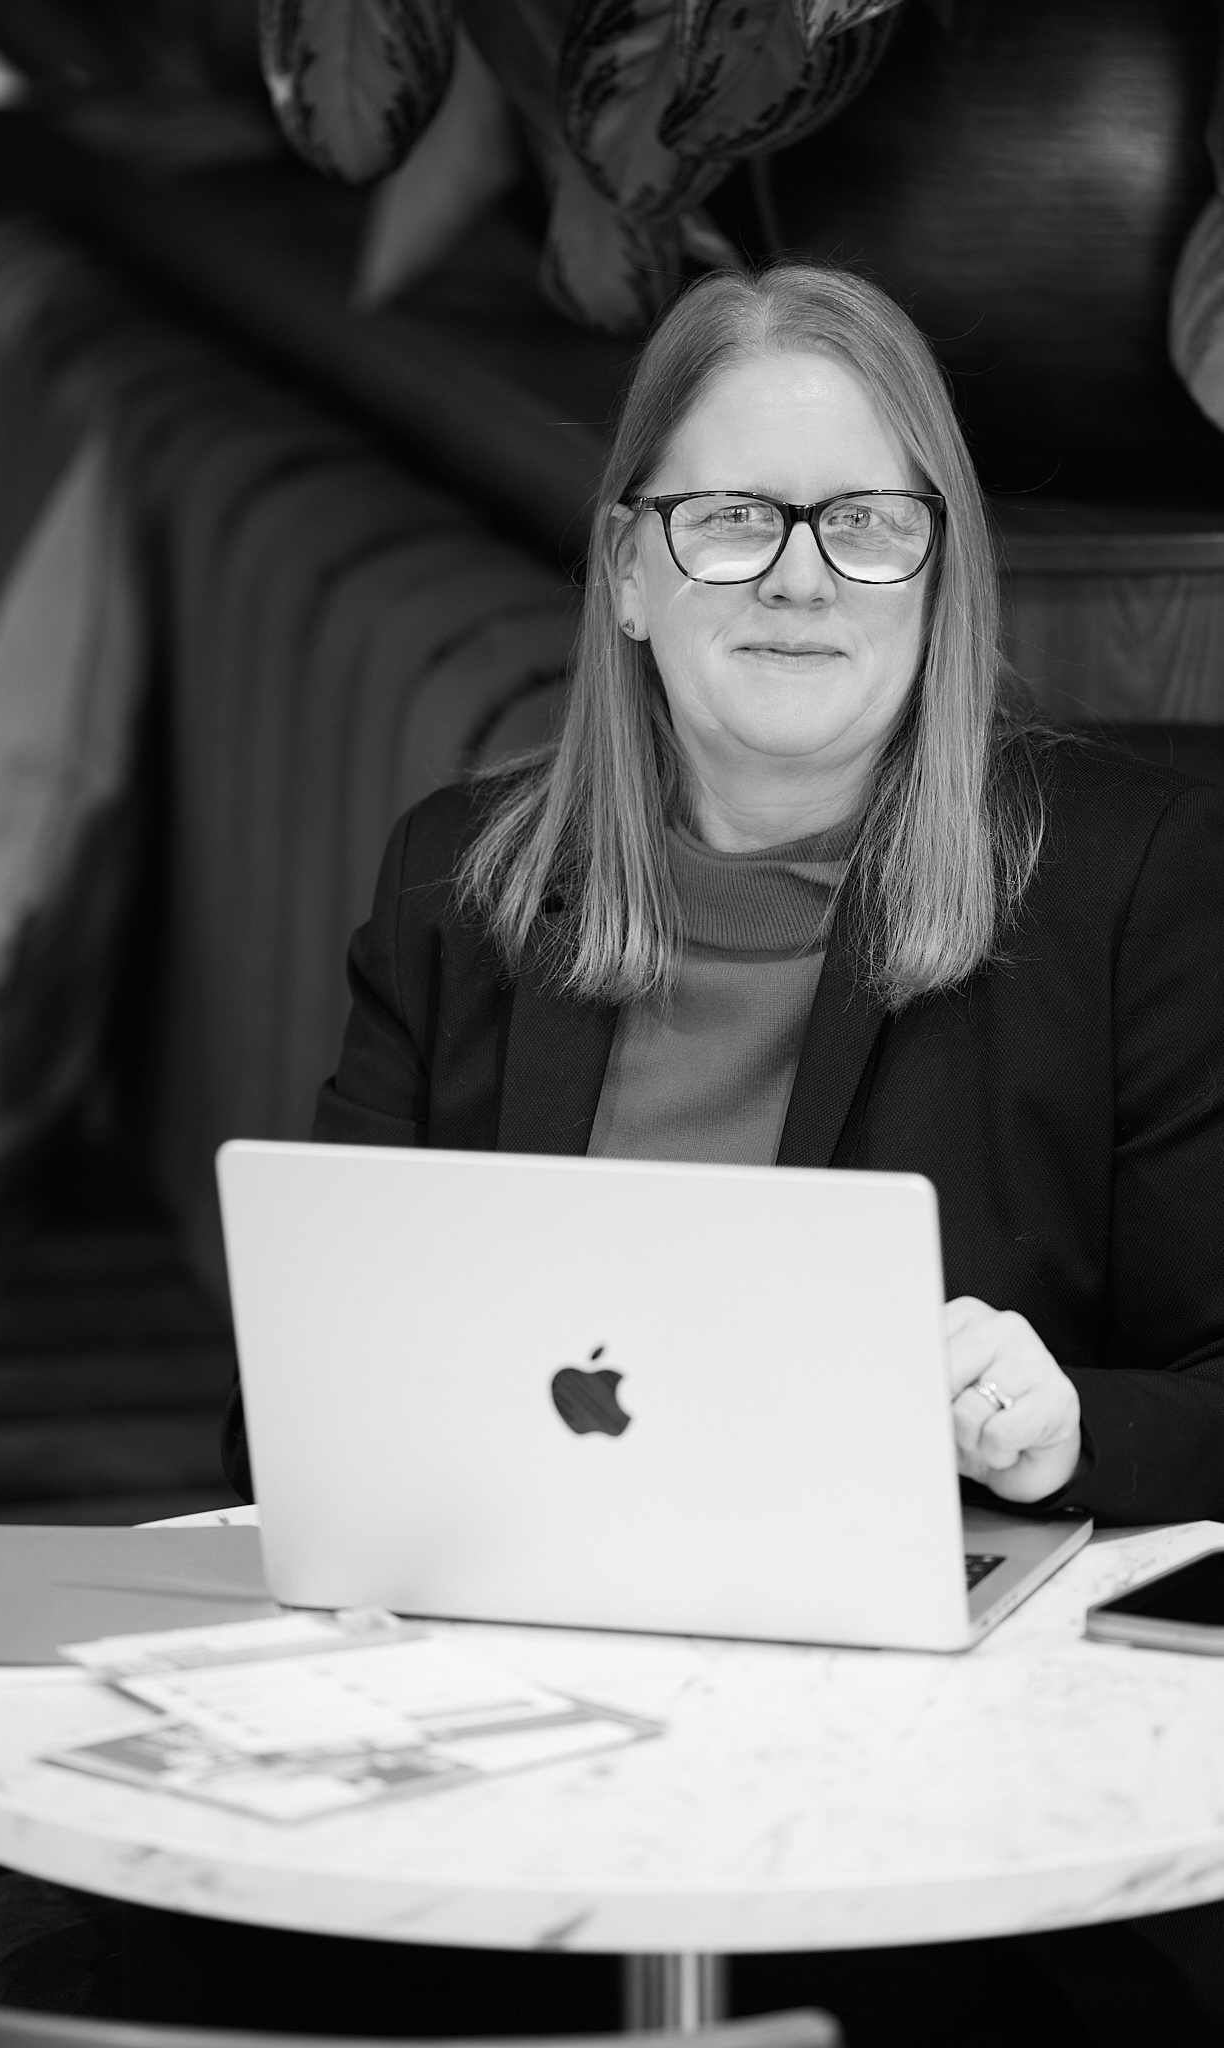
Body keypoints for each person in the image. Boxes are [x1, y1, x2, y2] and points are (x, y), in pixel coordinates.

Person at [222, 263, 1224, 2046]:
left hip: (916, 1765)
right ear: (625, 570)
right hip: (501, 1731)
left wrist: (1072, 1424)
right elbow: (285, 1411)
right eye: (729, 519)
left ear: (940, 571)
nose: (794, 576)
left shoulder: (1135, 881)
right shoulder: (462, 884)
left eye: (862, 524)